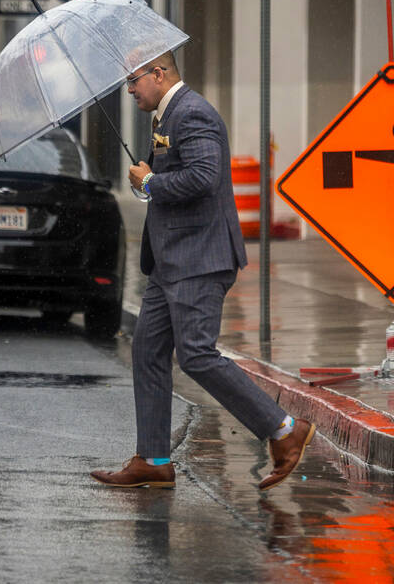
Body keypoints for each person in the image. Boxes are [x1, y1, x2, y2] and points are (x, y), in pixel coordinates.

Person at [90, 51, 315, 491]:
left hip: (199, 257)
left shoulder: (193, 114)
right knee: (148, 351)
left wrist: (151, 183)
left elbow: (206, 178)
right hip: (170, 260)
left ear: (159, 73)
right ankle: (153, 459)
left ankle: (285, 429)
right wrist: (150, 179)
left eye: (133, 80)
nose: (130, 89)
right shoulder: (167, 116)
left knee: (195, 352)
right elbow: (181, 177)